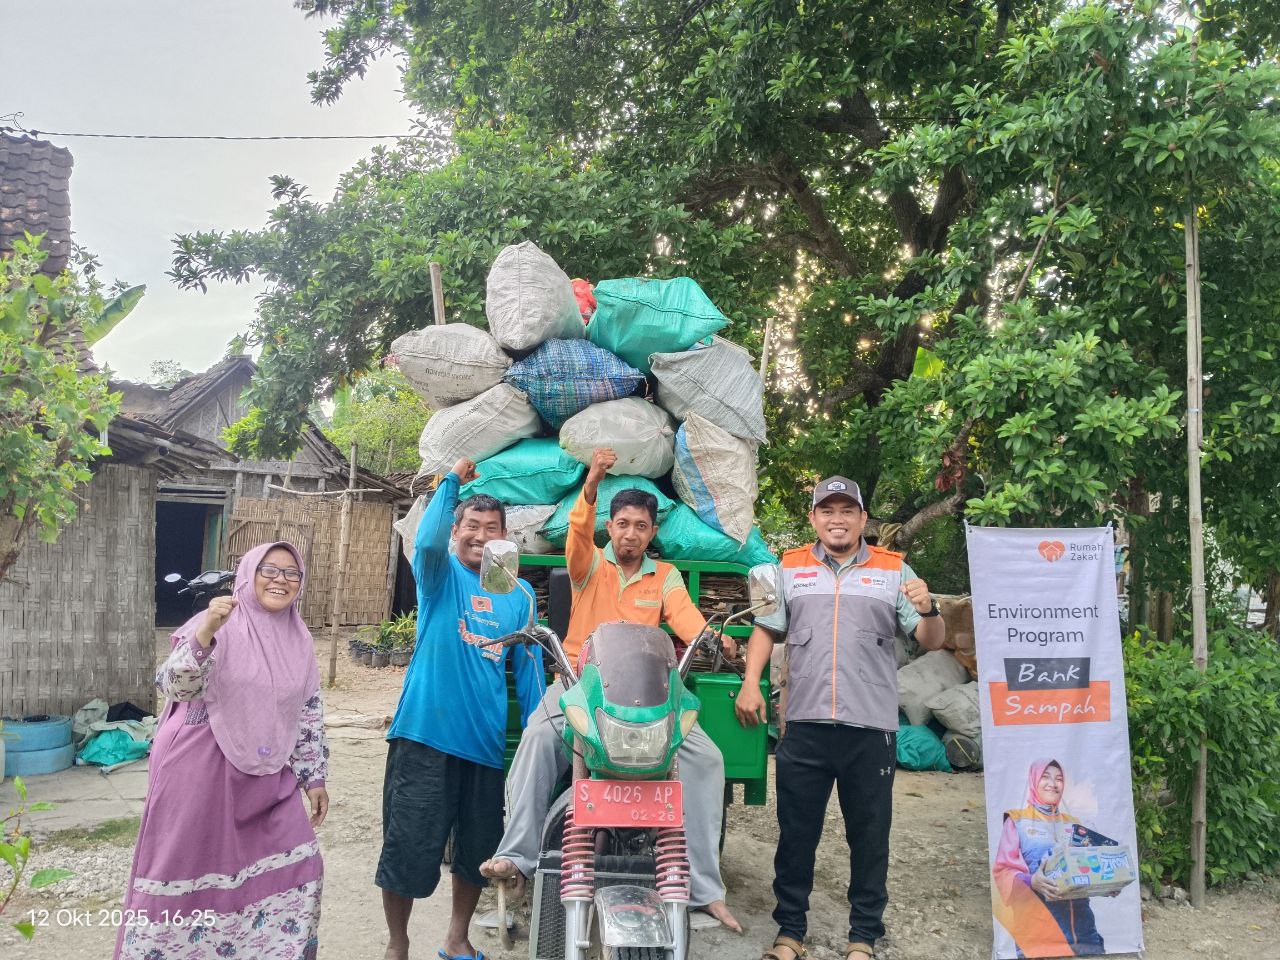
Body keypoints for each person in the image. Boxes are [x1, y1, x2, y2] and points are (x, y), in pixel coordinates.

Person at [481, 447, 741, 931]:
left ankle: (705, 889)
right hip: (579, 689)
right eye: (622, 524)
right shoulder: (589, 568)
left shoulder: (665, 577)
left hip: (649, 698)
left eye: (641, 526)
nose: (630, 533)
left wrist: (712, 636)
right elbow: (578, 534)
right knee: (537, 739)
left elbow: (686, 618)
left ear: (652, 532)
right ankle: (516, 858)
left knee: (706, 760)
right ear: (610, 527)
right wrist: (592, 483)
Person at [735, 476, 945, 960]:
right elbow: (766, 628)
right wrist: (750, 682)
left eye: (847, 510)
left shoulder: (894, 570)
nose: (837, 519)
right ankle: (790, 932)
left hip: (870, 729)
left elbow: (931, 640)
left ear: (862, 519)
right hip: (804, 723)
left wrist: (930, 608)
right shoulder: (789, 568)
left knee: (869, 837)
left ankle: (863, 937)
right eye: (827, 510)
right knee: (796, 834)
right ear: (813, 519)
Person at [115, 541, 329, 960]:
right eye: (269, 570)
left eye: (292, 573)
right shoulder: (216, 620)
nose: (281, 580)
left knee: (302, 866)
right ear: (247, 575)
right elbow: (173, 687)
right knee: (190, 872)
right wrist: (207, 631)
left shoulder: (299, 638)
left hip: (270, 772)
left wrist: (313, 776)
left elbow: (307, 711)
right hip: (201, 768)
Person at [377, 458, 545, 960]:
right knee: (408, 846)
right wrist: (450, 480)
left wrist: (541, 734)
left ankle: (456, 938)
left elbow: (531, 673)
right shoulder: (440, 573)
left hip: (483, 745)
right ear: (456, 531)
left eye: (491, 528)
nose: (480, 536)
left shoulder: (520, 594)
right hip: (424, 735)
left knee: (477, 854)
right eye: (471, 526)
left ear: (504, 538)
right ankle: (398, 944)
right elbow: (426, 542)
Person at [993, 759, 1108, 957]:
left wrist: (1106, 883)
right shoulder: (1016, 820)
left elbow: (1087, 867)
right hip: (1038, 934)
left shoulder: (1074, 824)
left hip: (1083, 935)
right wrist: (1032, 881)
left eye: (1059, 779)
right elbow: (1002, 872)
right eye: (1045, 777)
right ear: (1034, 780)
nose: (1053, 784)